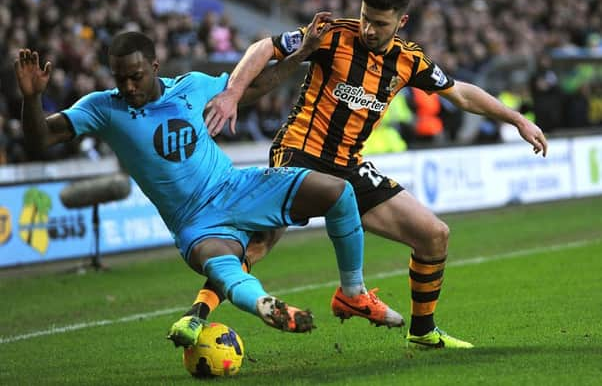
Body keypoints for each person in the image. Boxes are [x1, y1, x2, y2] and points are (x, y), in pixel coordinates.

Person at [196, 0, 549, 350]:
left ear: (401, 22)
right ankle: (195, 317)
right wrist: (233, 93)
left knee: (434, 235)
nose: (368, 28)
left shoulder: (409, 60)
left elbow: (460, 93)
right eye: (365, 17)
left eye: (379, 23)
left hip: (348, 165)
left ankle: (423, 331)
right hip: (299, 152)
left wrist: (518, 119)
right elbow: (264, 47)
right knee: (262, 242)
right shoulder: (332, 35)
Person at [13, 31, 403, 349]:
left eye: (136, 76)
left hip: (238, 187)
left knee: (338, 191)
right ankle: (266, 305)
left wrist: (302, 53)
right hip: (195, 222)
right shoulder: (102, 108)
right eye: (120, 78)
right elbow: (40, 138)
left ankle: (352, 291)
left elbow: (253, 87)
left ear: (154, 67)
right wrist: (31, 97)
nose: (128, 86)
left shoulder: (192, 87)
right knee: (225, 267)